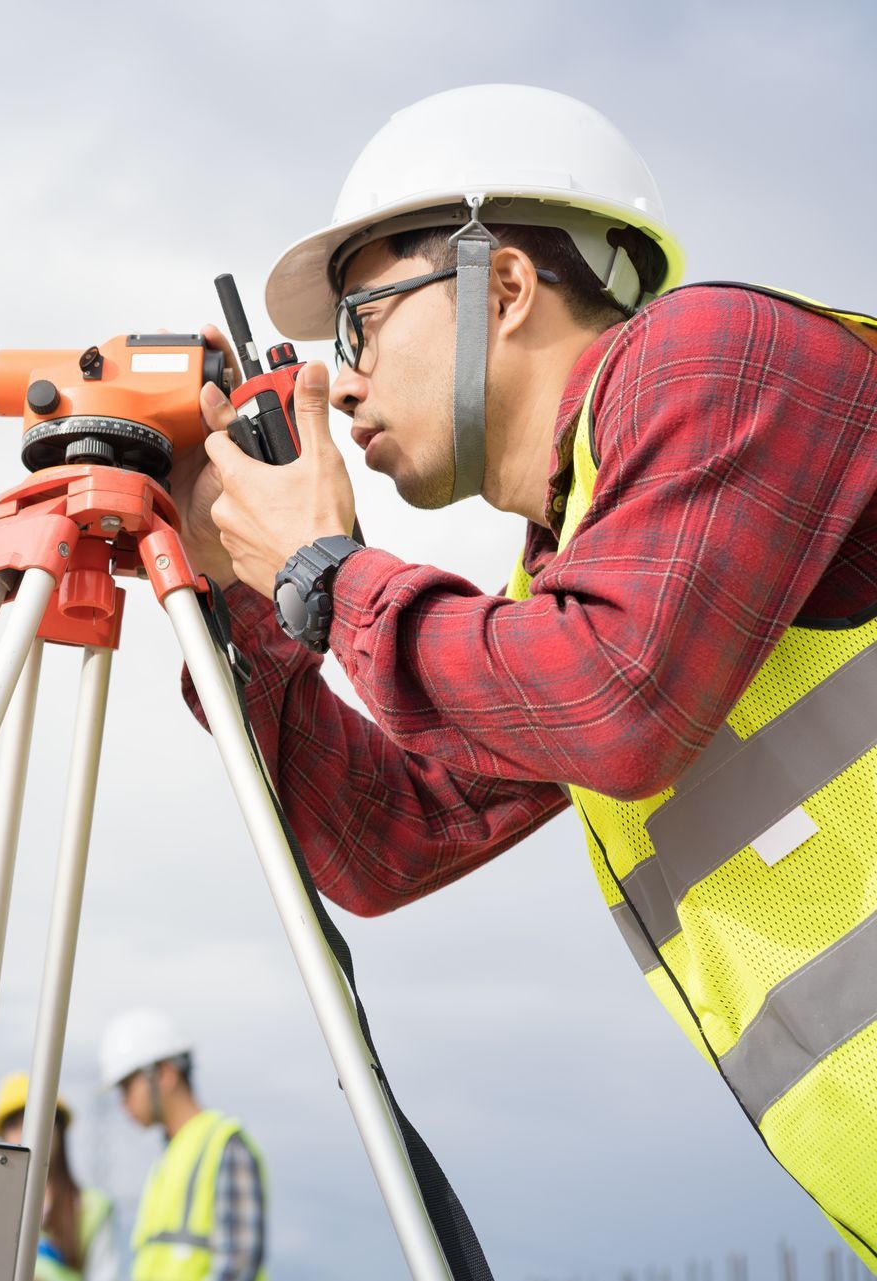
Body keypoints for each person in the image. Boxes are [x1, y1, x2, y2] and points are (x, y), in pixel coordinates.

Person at [169, 84, 877, 1263]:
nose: (340, 384)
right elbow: (395, 836)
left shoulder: (721, 357)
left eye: (362, 324)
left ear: (501, 288)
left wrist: (325, 573)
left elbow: (615, 699)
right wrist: (243, 593)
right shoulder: (573, 577)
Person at [99, 1009, 265, 1280]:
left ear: (164, 1073)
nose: (122, 1101)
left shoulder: (224, 1145)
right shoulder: (170, 1159)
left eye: (127, 1086)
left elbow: (237, 1267)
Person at [0, 1072, 121, 1281]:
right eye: (14, 1125)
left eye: (35, 1121)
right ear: (3, 1138)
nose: (26, 1134)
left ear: (59, 1128)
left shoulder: (92, 1208)